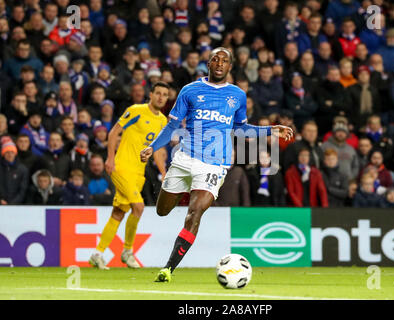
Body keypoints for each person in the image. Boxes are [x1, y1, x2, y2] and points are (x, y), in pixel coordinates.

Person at [139, 47, 293, 282]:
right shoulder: (190, 90)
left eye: (224, 61)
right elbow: (171, 126)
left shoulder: (237, 95)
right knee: (162, 211)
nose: (220, 63)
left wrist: (270, 129)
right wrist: (153, 147)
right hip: (185, 158)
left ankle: (168, 268)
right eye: (215, 59)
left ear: (230, 67)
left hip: (214, 165)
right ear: (208, 64)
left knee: (195, 213)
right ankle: (182, 191)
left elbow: (240, 128)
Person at [89, 82, 170, 270]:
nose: (160, 97)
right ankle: (127, 251)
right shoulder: (136, 110)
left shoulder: (162, 121)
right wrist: (110, 158)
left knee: (118, 212)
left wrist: (164, 172)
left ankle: (97, 254)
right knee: (139, 207)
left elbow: (156, 150)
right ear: (151, 94)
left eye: (164, 94)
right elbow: (114, 132)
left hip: (138, 173)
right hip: (121, 167)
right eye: (157, 93)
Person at [0, 137, 28, 205]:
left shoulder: (22, 169)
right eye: (7, 152)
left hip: (16, 206)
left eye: (12, 152)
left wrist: (13, 203)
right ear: (3, 154)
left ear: (15, 153)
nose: (10, 155)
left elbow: (23, 190)